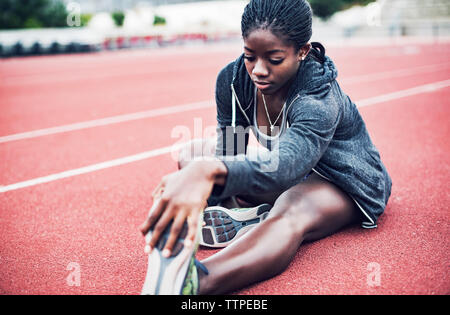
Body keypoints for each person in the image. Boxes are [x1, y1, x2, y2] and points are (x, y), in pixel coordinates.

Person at [139, 0, 392, 295]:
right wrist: (206, 183)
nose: (258, 70)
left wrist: (207, 175)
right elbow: (231, 151)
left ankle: (196, 280)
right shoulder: (234, 80)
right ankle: (251, 217)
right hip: (291, 172)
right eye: (250, 56)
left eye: (274, 59)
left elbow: (286, 166)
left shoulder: (318, 99)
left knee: (293, 207)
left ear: (302, 51)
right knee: (189, 156)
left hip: (346, 181)